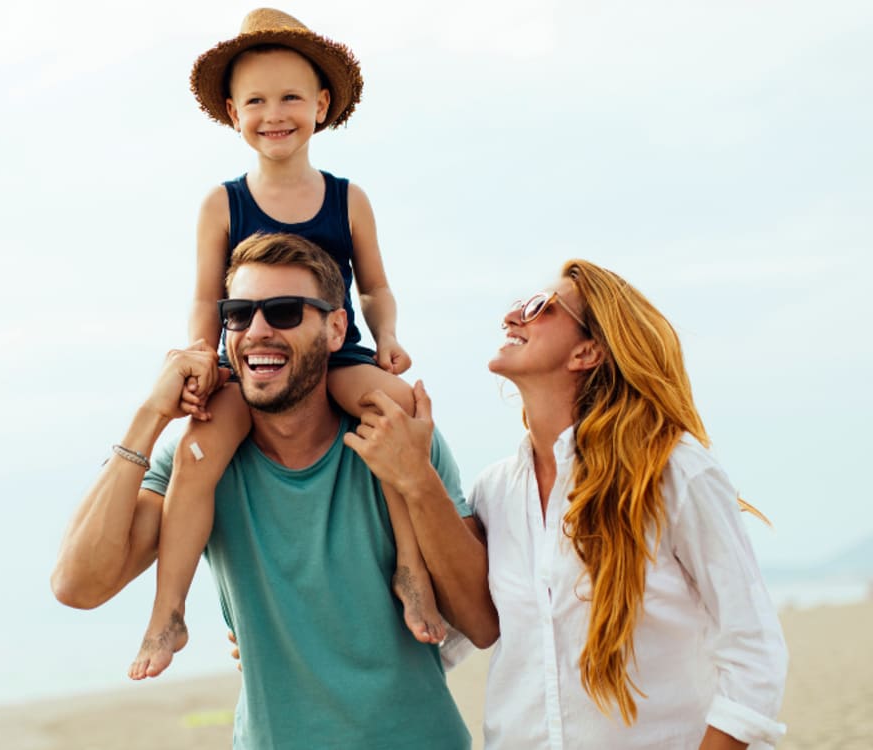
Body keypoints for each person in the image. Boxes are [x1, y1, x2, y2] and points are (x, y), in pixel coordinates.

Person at [50, 233, 496, 749]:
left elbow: (480, 622)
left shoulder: (397, 438)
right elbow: (76, 585)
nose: (257, 331)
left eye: (284, 311)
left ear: (335, 328)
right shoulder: (199, 461)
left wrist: (416, 479)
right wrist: (149, 416)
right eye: (239, 314)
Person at [355, 259, 789, 749]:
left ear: (589, 350)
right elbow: (450, 636)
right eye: (518, 305)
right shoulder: (496, 492)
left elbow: (755, 655)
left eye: (540, 307)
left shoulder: (674, 475)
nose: (513, 316)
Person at [131, 7, 439, 680]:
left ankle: (413, 569)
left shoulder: (346, 197)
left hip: (337, 357)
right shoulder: (223, 203)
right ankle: (169, 611)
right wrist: (200, 355)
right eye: (257, 101)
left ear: (321, 105)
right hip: (253, 365)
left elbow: (376, 287)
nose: (276, 114)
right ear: (232, 111)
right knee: (198, 448)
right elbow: (207, 296)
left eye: (292, 97)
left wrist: (386, 338)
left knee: (395, 408)